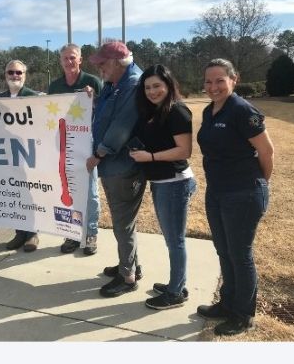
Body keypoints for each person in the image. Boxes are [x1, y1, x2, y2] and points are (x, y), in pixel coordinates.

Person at [195, 58, 275, 335]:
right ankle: (227, 304)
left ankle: (243, 315)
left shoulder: (242, 110)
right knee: (223, 250)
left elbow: (267, 152)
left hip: (242, 192)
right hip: (217, 191)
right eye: (208, 81)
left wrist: (258, 184)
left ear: (234, 79)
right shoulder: (209, 112)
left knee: (240, 255)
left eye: (220, 80)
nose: (213, 86)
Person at [127, 64, 196, 310]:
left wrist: (150, 157)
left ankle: (176, 292)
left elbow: (184, 150)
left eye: (157, 85)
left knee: (174, 240)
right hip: (162, 182)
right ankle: (177, 284)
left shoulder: (177, 111)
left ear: (168, 85)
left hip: (174, 182)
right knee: (172, 238)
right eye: (147, 87)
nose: (152, 91)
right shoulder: (153, 110)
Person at [86, 41, 147, 298]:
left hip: (122, 165)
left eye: (102, 63)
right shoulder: (116, 83)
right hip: (115, 164)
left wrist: (99, 153)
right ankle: (132, 264)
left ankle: (128, 277)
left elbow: (121, 126)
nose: (99, 67)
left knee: (123, 224)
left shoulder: (132, 84)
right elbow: (104, 113)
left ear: (115, 62)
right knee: (124, 222)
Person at [50, 43, 104, 256]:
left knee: (89, 191)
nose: (69, 62)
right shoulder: (55, 86)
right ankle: (72, 233)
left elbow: (104, 113)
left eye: (73, 58)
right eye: (65, 58)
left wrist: (94, 100)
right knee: (67, 190)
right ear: (60, 61)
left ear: (80, 59)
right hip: (63, 143)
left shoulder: (92, 82)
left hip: (87, 143)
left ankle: (90, 233)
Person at [0, 60, 42, 252]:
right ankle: (19, 232)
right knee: (13, 194)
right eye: (10, 72)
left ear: (25, 74)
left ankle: (32, 234)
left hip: (29, 155)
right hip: (6, 156)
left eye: (18, 72)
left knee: (29, 194)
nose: (14, 76)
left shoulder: (34, 97)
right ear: (5, 74)